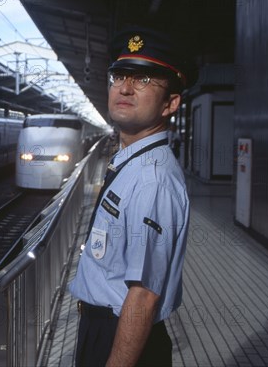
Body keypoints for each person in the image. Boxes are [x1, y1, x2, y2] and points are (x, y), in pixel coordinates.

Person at [69, 26, 192, 367]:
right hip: (108, 328)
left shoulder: (151, 180)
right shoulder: (133, 161)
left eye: (144, 80)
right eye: (120, 75)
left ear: (170, 104)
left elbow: (143, 295)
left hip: (120, 336)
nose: (124, 87)